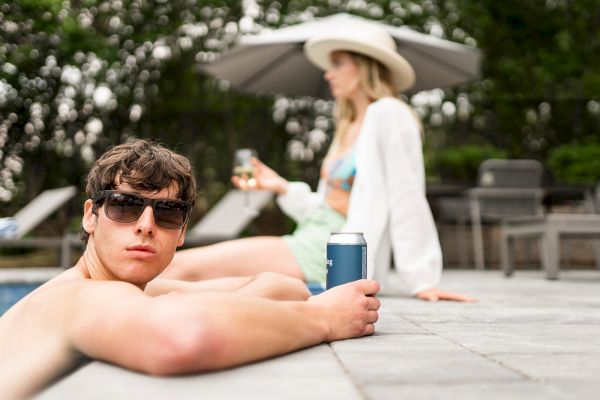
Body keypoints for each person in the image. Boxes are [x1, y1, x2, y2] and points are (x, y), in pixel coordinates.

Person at [0, 140, 380, 399]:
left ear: (181, 232)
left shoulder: (137, 291)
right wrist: (322, 318)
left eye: (166, 213)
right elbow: (182, 337)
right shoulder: (82, 296)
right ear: (90, 217)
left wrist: (198, 304)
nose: (145, 224)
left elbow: (283, 287)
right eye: (124, 206)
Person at [161, 22, 475, 303]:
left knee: (182, 266)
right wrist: (281, 187)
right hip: (312, 237)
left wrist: (422, 278)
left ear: (366, 66)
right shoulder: (348, 126)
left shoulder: (388, 114)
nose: (328, 73)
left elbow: (406, 196)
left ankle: (116, 304)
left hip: (335, 248)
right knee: (199, 278)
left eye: (338, 63)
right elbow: (327, 205)